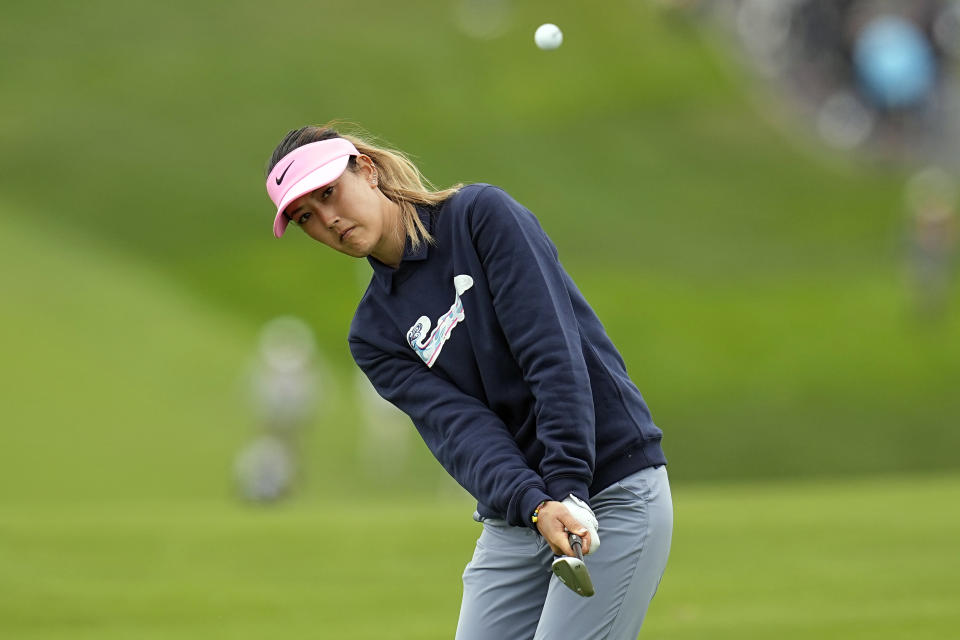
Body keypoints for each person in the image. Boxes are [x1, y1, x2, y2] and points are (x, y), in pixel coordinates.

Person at [264, 124, 673, 639]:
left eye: (328, 193)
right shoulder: (373, 334)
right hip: (521, 515)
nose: (328, 220)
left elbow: (550, 353)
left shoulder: (479, 218)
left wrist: (567, 489)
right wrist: (535, 504)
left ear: (365, 170)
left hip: (610, 487)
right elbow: (463, 432)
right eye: (307, 217)